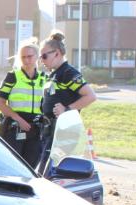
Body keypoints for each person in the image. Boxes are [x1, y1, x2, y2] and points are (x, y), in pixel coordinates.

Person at [39, 30, 96, 171]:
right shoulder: (54, 74)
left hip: (62, 133)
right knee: (44, 171)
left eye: (44, 56)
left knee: (50, 172)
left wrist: (67, 109)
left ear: (57, 53)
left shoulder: (68, 73)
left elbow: (90, 96)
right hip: (50, 130)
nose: (42, 60)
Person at [0, 38, 46, 167]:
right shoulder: (12, 76)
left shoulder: (44, 78)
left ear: (37, 57)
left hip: (36, 130)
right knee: (13, 166)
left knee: (31, 167)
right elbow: (0, 103)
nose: (26, 60)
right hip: (15, 129)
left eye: (30, 56)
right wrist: (18, 119)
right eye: (23, 57)